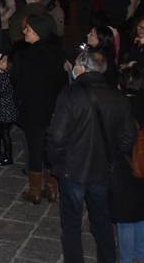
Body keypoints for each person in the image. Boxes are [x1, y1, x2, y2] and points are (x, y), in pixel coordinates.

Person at [47, 51, 137, 263]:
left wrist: (56, 161)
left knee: (71, 224)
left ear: (82, 68)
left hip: (73, 169)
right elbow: (128, 137)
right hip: (102, 170)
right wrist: (111, 155)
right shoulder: (119, 97)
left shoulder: (70, 94)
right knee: (102, 222)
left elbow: (56, 137)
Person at [14, 14, 67, 204]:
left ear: (38, 31)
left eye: (28, 28)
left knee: (34, 148)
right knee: (49, 147)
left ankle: (35, 190)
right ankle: (52, 187)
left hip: (33, 109)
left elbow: (22, 84)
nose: (24, 31)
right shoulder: (57, 52)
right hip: (53, 109)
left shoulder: (29, 55)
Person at [115, 66, 144, 263]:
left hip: (125, 167)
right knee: (142, 214)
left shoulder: (120, 106)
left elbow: (120, 141)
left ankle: (127, 258)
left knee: (125, 219)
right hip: (142, 165)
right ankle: (141, 255)